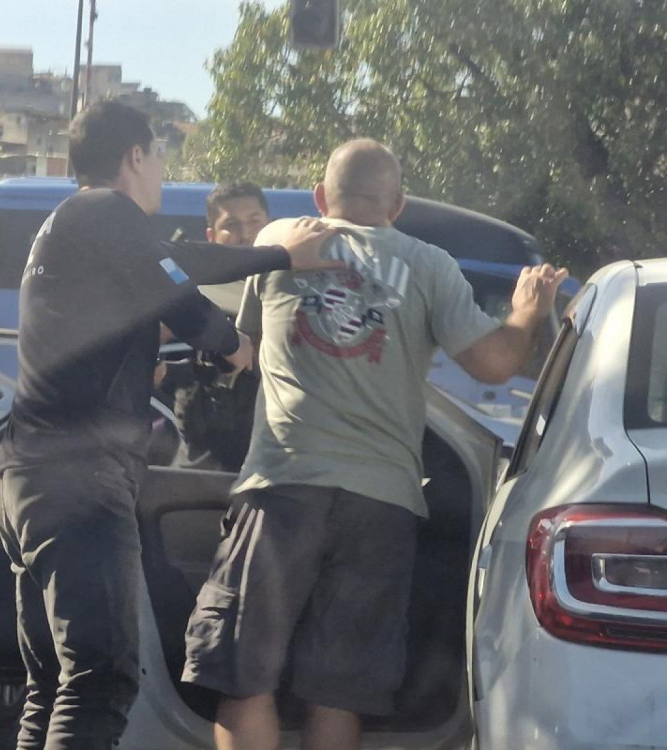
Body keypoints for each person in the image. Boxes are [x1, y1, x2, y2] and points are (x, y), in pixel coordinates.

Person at [180, 138, 567, 750]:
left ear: (319, 196)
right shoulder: (430, 265)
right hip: (382, 502)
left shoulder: (279, 239)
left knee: (244, 676)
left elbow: (245, 347)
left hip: (283, 485)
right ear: (398, 205)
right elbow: (495, 364)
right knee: (339, 690)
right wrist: (526, 311)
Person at [0, 99, 340, 750]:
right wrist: (236, 336)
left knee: (53, 689)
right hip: (79, 481)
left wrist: (270, 261)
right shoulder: (106, 210)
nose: (160, 173)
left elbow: (175, 266)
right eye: (158, 158)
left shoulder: (73, 224)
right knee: (99, 684)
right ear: (135, 156)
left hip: (29, 476)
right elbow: (177, 290)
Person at [157, 182, 272, 471]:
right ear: (211, 236)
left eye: (254, 221)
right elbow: (142, 342)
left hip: (277, 450)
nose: (246, 234)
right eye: (231, 225)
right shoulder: (195, 295)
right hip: (208, 453)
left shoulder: (292, 289)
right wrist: (174, 373)